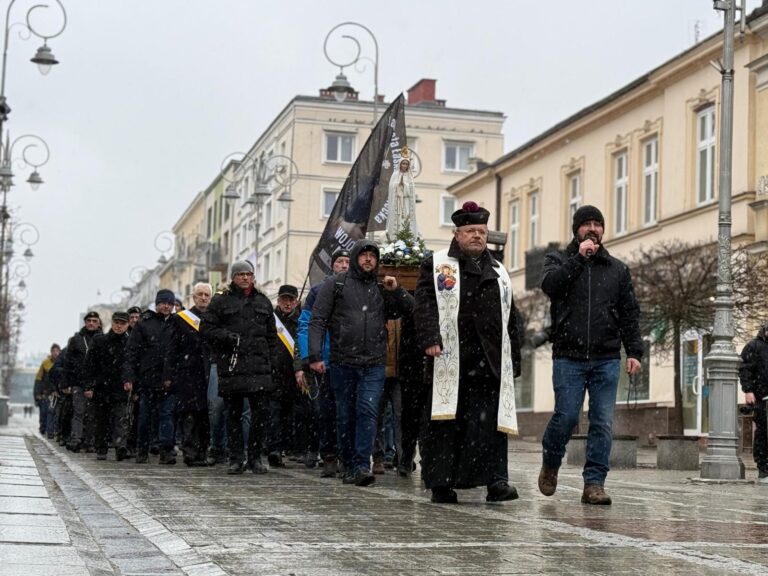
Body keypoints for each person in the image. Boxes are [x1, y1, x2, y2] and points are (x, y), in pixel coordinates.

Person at [414, 201, 521, 504]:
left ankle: (496, 482)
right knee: (446, 424)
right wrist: (430, 337)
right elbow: (423, 304)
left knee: (490, 425)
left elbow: (511, 316)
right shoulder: (436, 264)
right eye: (471, 231)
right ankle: (442, 483)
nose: (477, 236)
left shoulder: (499, 271)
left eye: (482, 232)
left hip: (488, 361)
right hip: (450, 358)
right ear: (457, 233)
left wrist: (514, 358)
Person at [538, 205, 643, 505]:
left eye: (598, 224)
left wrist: (634, 351)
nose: (593, 229)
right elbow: (551, 286)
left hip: (606, 358)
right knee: (568, 416)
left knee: (602, 422)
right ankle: (551, 462)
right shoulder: (558, 260)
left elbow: (629, 313)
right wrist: (578, 260)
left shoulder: (617, 269)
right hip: (568, 357)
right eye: (587, 224)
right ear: (577, 230)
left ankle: (594, 483)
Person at [309, 239, 414, 487]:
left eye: (373, 256)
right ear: (356, 257)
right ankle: (347, 461)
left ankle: (360, 465)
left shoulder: (381, 289)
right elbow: (317, 320)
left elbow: (412, 310)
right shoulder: (336, 285)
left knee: (367, 412)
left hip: (374, 364)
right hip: (343, 362)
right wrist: (314, 356)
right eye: (364, 255)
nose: (368, 259)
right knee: (345, 415)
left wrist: (397, 290)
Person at [201, 260, 278, 475]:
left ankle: (254, 458)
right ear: (233, 277)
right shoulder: (220, 301)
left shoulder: (263, 302)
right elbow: (206, 328)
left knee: (260, 414)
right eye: (241, 274)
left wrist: (270, 361)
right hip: (232, 366)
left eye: (248, 274)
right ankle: (235, 458)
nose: (245, 278)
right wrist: (226, 337)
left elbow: (272, 336)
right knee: (232, 414)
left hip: (259, 367)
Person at [296, 248, 350, 478]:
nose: (345, 265)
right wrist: (310, 357)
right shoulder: (318, 291)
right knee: (326, 412)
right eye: (340, 261)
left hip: (350, 359)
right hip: (325, 361)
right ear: (333, 265)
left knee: (347, 413)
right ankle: (328, 455)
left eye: (348, 261)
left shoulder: (359, 289)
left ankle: (347, 457)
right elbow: (305, 324)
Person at [123, 289, 176, 464]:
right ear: (157, 304)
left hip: (170, 378)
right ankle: (142, 450)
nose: (166, 306)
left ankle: (166, 451)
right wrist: (129, 376)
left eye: (169, 303)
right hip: (148, 378)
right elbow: (131, 352)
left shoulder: (177, 322)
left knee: (167, 415)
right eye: (163, 303)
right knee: (145, 416)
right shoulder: (145, 323)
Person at [165, 282, 212, 466]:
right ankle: (190, 452)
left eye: (206, 295)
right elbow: (172, 349)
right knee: (190, 414)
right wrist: (169, 374)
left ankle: (202, 452)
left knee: (205, 415)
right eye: (200, 294)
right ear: (193, 297)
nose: (203, 298)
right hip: (187, 373)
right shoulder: (181, 319)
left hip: (208, 372)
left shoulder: (213, 319)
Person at [85, 312, 131, 461]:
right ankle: (101, 447)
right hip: (101, 387)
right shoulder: (100, 340)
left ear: (127, 325)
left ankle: (120, 446)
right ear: (112, 323)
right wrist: (89, 385)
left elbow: (132, 365)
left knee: (121, 418)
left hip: (120, 387)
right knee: (101, 419)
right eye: (117, 322)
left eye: (122, 323)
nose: (119, 326)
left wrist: (131, 381)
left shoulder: (130, 343)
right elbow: (90, 365)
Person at [267, 284, 302, 468]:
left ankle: (289, 448)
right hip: (274, 374)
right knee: (274, 415)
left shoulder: (301, 321)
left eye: (291, 300)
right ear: (278, 301)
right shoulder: (271, 321)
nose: (288, 304)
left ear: (296, 302)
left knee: (291, 415)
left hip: (295, 376)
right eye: (284, 300)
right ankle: (274, 449)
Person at [64, 311, 103, 452]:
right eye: (89, 321)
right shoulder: (76, 340)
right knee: (79, 412)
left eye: (94, 320)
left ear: (98, 323)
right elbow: (68, 362)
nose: (91, 323)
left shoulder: (103, 339)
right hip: (78, 382)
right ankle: (76, 439)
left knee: (93, 414)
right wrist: (65, 383)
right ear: (85, 323)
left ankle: (90, 441)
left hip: (96, 384)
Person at [739, 324, 768, 484]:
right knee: (763, 432)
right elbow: (745, 369)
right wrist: (748, 390)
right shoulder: (754, 346)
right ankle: (763, 470)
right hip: (762, 398)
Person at [385, 147, 418, 241]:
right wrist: (398, 185)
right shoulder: (395, 175)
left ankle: (407, 237)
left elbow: (411, 191)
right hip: (397, 202)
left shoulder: (410, 176)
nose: (404, 165)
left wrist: (405, 186)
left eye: (406, 164)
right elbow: (391, 188)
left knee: (406, 218)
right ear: (400, 164)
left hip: (406, 202)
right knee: (397, 218)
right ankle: (395, 237)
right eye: (403, 163)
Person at [34, 343, 61, 438]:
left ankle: (52, 430)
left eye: (57, 351)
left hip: (57, 390)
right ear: (51, 352)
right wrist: (37, 393)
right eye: (54, 351)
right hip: (46, 391)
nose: (55, 353)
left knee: (54, 411)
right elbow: (38, 378)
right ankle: (44, 428)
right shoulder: (45, 363)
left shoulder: (61, 362)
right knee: (45, 411)